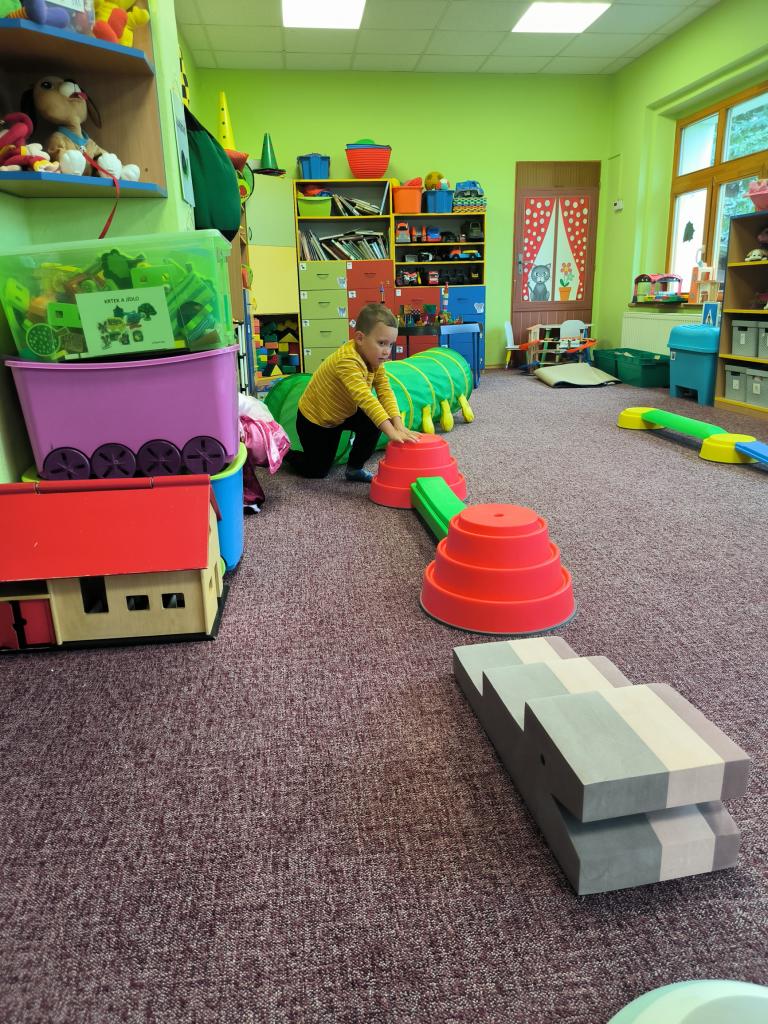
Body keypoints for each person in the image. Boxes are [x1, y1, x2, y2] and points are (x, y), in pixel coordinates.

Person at [286, 302, 421, 482]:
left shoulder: (375, 358)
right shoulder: (347, 361)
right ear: (360, 338)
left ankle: (354, 469)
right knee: (317, 471)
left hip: (344, 412)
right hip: (316, 420)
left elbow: (384, 390)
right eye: (381, 343)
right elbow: (366, 398)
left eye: (390, 345)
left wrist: (398, 424)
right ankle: (284, 452)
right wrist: (391, 432)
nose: (387, 351)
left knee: (375, 422)